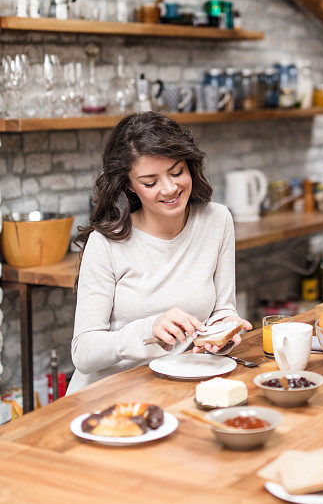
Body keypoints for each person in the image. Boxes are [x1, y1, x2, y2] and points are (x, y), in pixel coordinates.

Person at [67, 111, 251, 393]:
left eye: (177, 172)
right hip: (109, 395)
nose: (170, 188)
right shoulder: (106, 243)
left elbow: (222, 309)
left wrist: (223, 331)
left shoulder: (216, 221)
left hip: (179, 386)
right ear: (129, 184)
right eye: (150, 182)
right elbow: (84, 352)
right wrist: (148, 329)